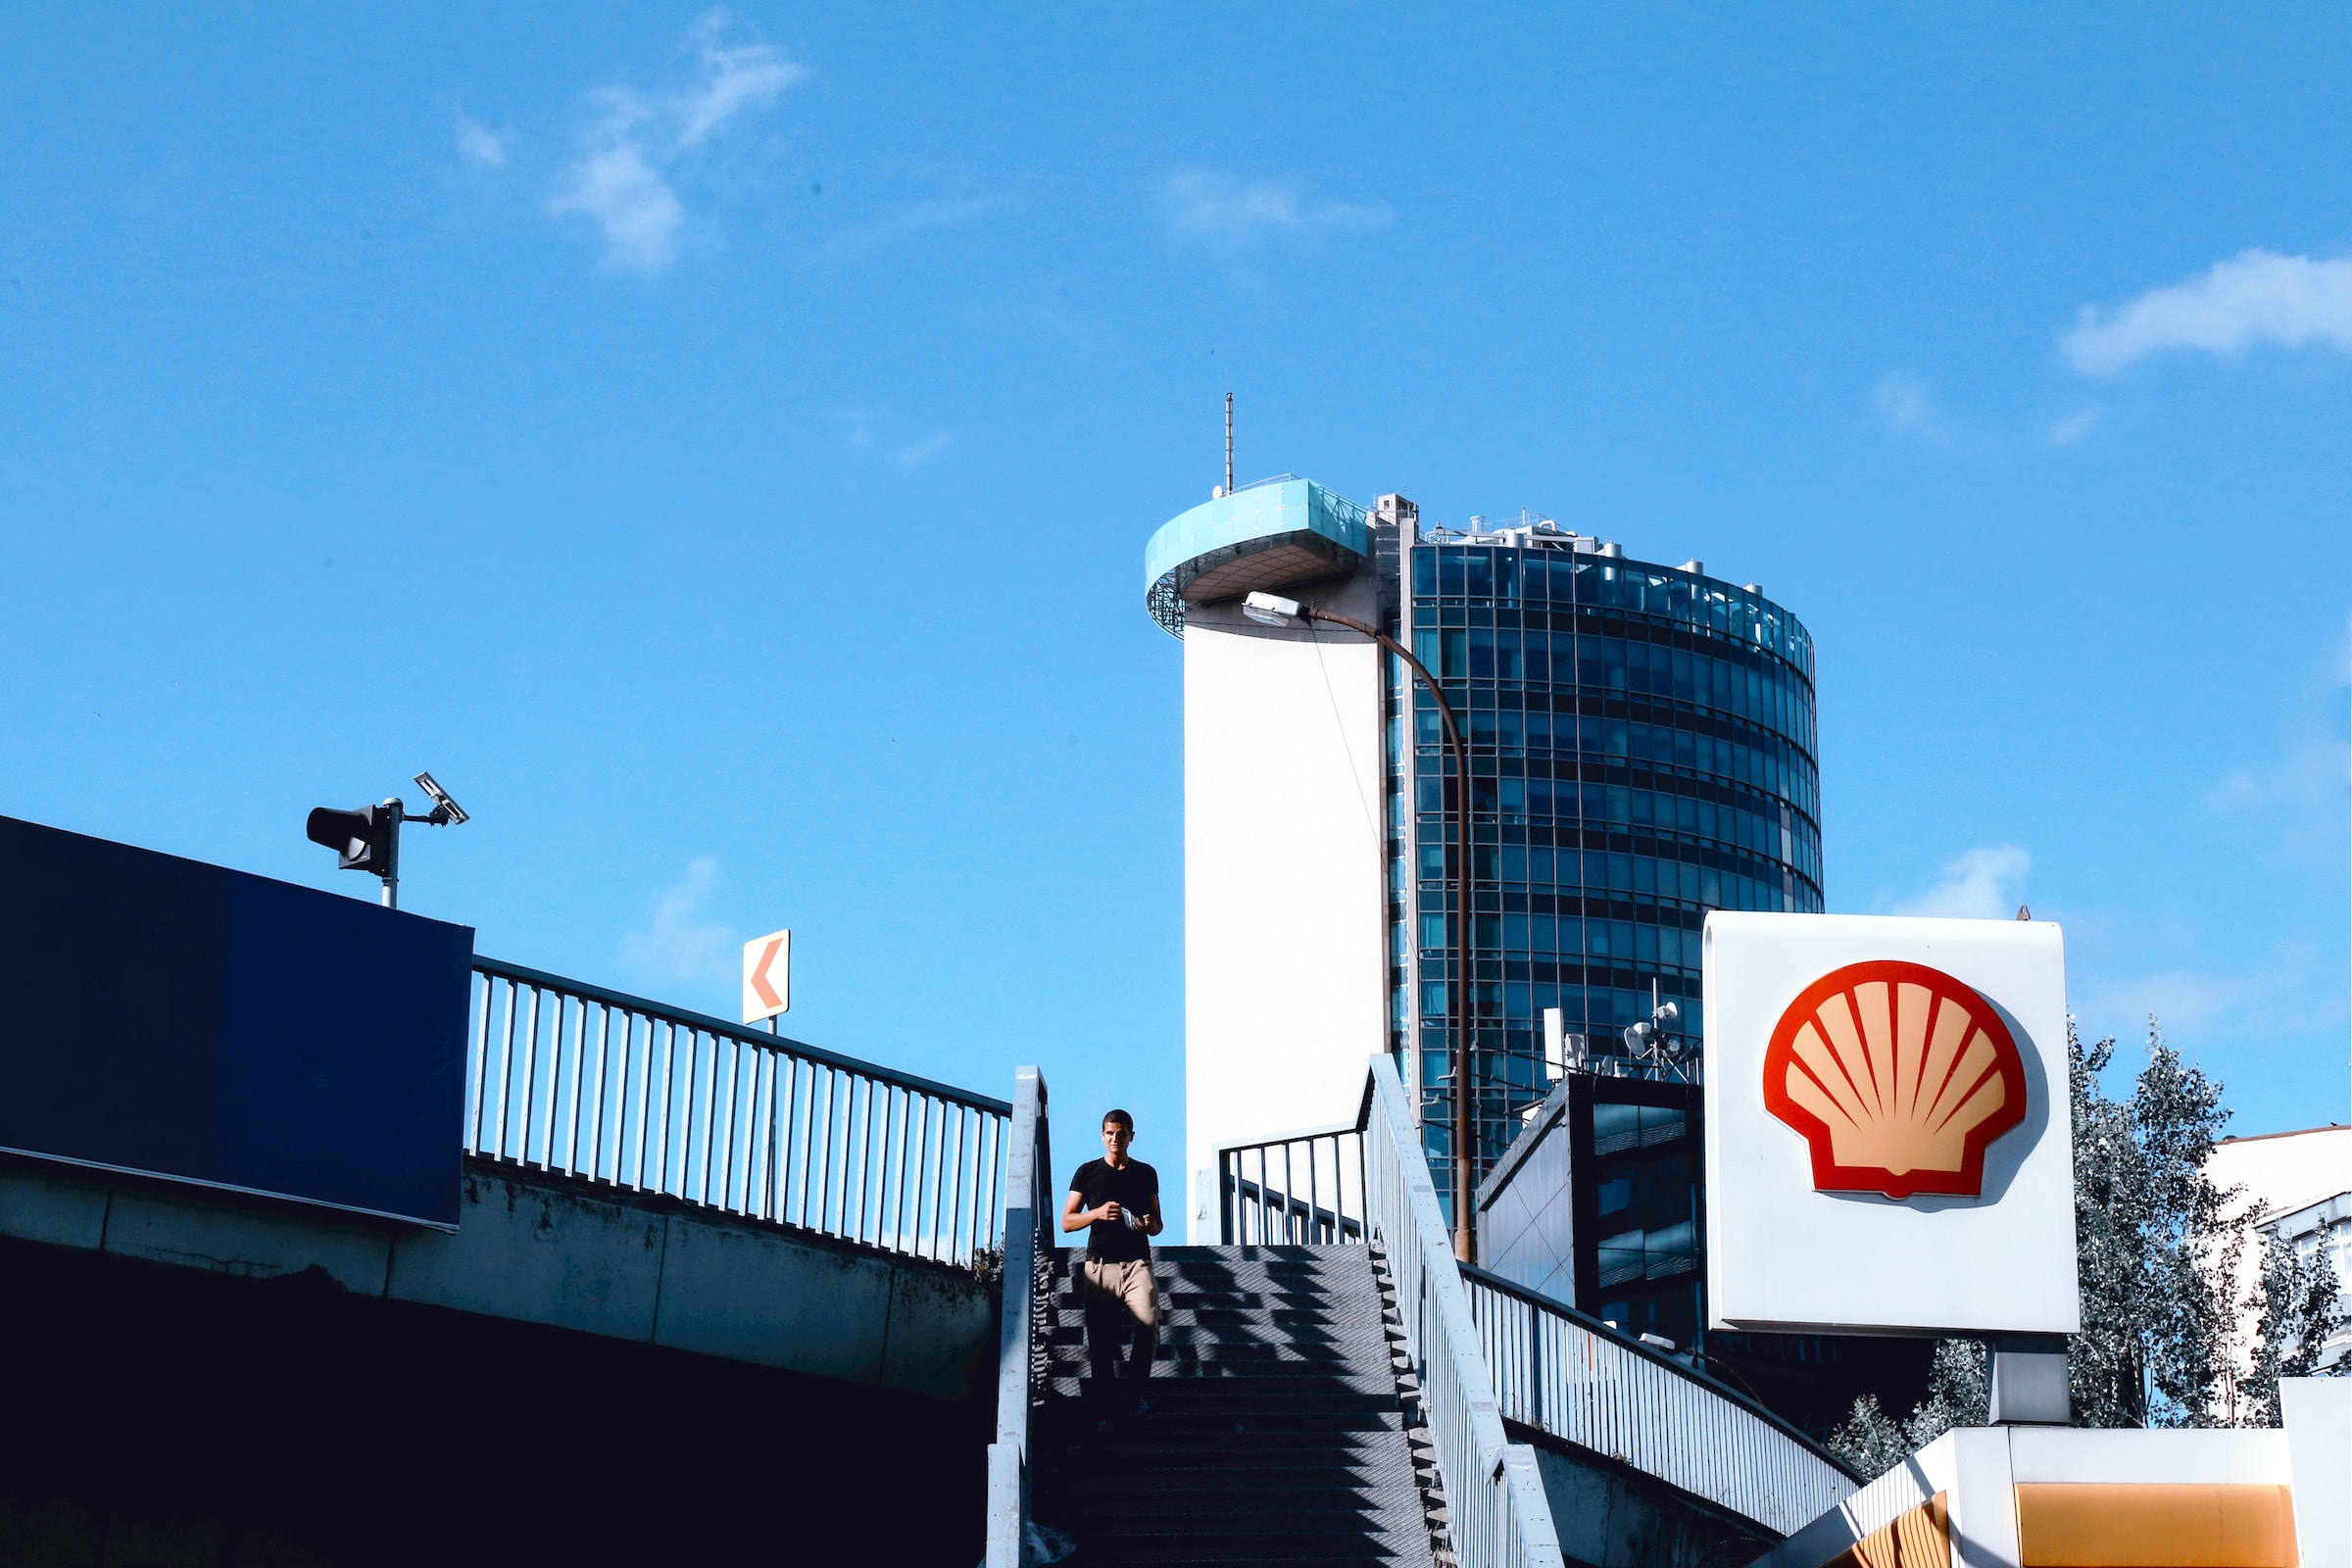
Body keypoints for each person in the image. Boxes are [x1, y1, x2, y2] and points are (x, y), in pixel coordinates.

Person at [1061, 1108, 1162, 1420]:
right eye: (1109, 1133)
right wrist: (1097, 1213)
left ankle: (1134, 1397)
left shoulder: (1145, 1173)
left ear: (1131, 1136)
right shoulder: (1087, 1172)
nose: (1115, 1138)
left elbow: (1158, 1224)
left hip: (1137, 1264)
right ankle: (1104, 1406)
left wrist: (1148, 1224)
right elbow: (1067, 1222)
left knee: (1148, 1325)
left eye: (1121, 1133)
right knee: (1100, 1340)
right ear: (1102, 1135)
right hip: (1100, 1266)